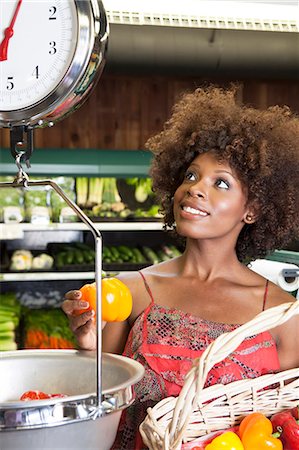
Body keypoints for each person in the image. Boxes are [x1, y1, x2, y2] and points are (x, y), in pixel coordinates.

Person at [62, 85, 299, 450]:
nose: (195, 189)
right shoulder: (131, 290)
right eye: (190, 176)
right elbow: (98, 409)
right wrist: (88, 348)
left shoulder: (282, 314)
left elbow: (287, 425)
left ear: (252, 209)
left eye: (221, 182)